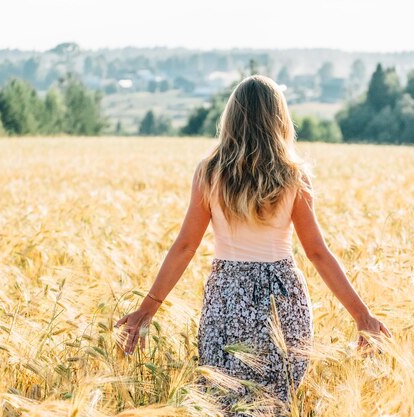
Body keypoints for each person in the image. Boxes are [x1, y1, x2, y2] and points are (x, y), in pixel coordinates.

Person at [114, 75, 392, 416]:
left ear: (231, 117)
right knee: (275, 405)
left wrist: (149, 307)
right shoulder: (293, 175)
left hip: (228, 298)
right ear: (280, 120)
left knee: (224, 404)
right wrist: (361, 315)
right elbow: (317, 251)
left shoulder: (210, 173)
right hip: (283, 300)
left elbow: (186, 245)